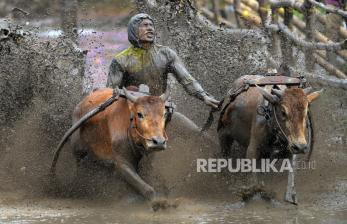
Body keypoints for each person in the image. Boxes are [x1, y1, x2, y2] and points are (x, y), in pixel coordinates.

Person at [106, 13, 220, 118]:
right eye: (145, 25)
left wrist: (204, 96)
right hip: (132, 112)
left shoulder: (167, 54)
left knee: (197, 134)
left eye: (151, 25)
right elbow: (109, 92)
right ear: (133, 30)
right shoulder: (121, 59)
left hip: (160, 111)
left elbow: (186, 79)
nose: (150, 28)